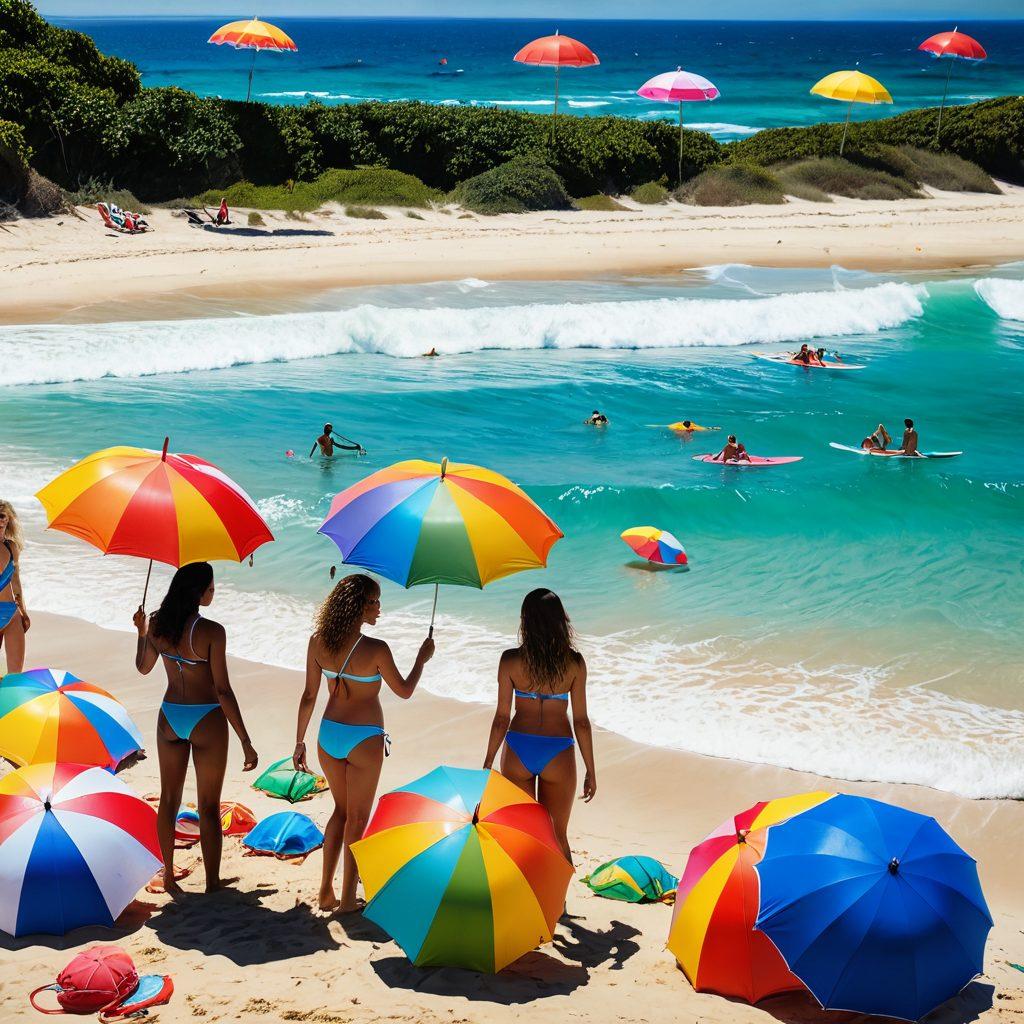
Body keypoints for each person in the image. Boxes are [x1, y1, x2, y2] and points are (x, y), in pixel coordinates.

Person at [294, 573, 434, 912]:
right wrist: (421, 659)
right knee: (358, 818)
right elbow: (404, 690)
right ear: (358, 606)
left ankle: (325, 891)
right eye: (374, 602)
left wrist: (299, 741)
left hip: (328, 735)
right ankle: (346, 900)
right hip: (364, 738)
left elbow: (310, 694)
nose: (379, 609)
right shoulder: (376, 649)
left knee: (340, 813)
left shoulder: (318, 642)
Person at [133, 563, 258, 896]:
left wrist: (142, 632)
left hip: (171, 715)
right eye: (211, 586)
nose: (214, 592)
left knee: (169, 801)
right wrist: (246, 740)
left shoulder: (158, 623)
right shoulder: (212, 631)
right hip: (206, 718)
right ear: (198, 592)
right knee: (208, 805)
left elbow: (143, 668)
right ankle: (213, 883)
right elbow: (223, 691)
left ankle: (170, 878)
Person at [483, 590, 596, 865]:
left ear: (526, 621)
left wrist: (487, 761)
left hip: (518, 748)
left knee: (523, 832)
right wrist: (591, 770)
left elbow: (501, 717)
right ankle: (557, 905)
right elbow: (581, 721)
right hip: (557, 751)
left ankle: (522, 901)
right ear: (561, 620)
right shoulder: (574, 663)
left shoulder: (510, 660)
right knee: (557, 834)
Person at [0, 501, 29, 675]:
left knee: (16, 675)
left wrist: (23, 611)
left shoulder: (12, 547)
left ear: (8, 519)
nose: (0, 521)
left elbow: (16, 581)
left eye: (2, 516)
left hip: (12, 614)